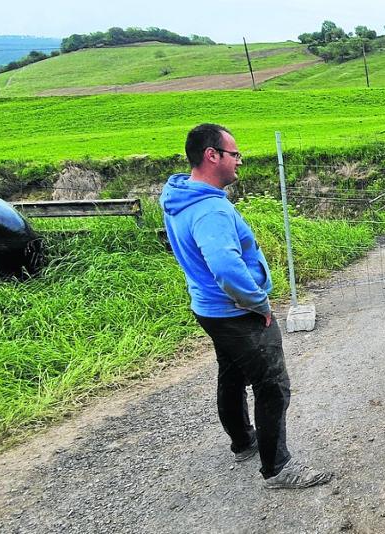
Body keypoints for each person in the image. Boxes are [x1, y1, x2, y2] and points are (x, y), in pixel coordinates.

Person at [160, 123, 332, 490]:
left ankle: (243, 442)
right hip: (236, 313)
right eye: (234, 154)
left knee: (232, 373)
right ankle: (278, 468)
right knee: (272, 386)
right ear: (212, 155)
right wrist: (258, 303)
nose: (239, 161)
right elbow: (224, 265)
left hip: (208, 308)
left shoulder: (178, 196)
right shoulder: (210, 211)